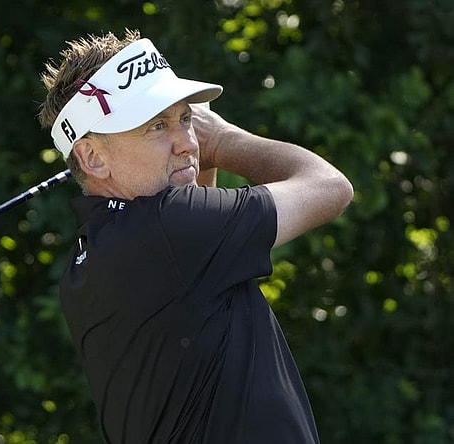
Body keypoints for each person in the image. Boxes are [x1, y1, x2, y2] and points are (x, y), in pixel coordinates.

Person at [37, 30, 353, 443]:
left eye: (186, 119)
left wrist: (195, 163)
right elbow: (331, 187)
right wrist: (220, 140)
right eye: (157, 126)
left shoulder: (90, 258)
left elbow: (201, 280)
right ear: (93, 157)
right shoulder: (170, 229)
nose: (188, 143)